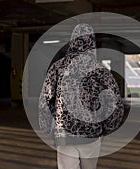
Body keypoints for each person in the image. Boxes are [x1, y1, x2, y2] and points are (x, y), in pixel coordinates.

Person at [38, 23, 124, 169]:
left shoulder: (57, 67)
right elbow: (112, 102)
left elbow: (45, 101)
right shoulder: (100, 70)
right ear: (92, 43)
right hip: (91, 134)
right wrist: (107, 128)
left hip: (64, 134)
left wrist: (47, 127)